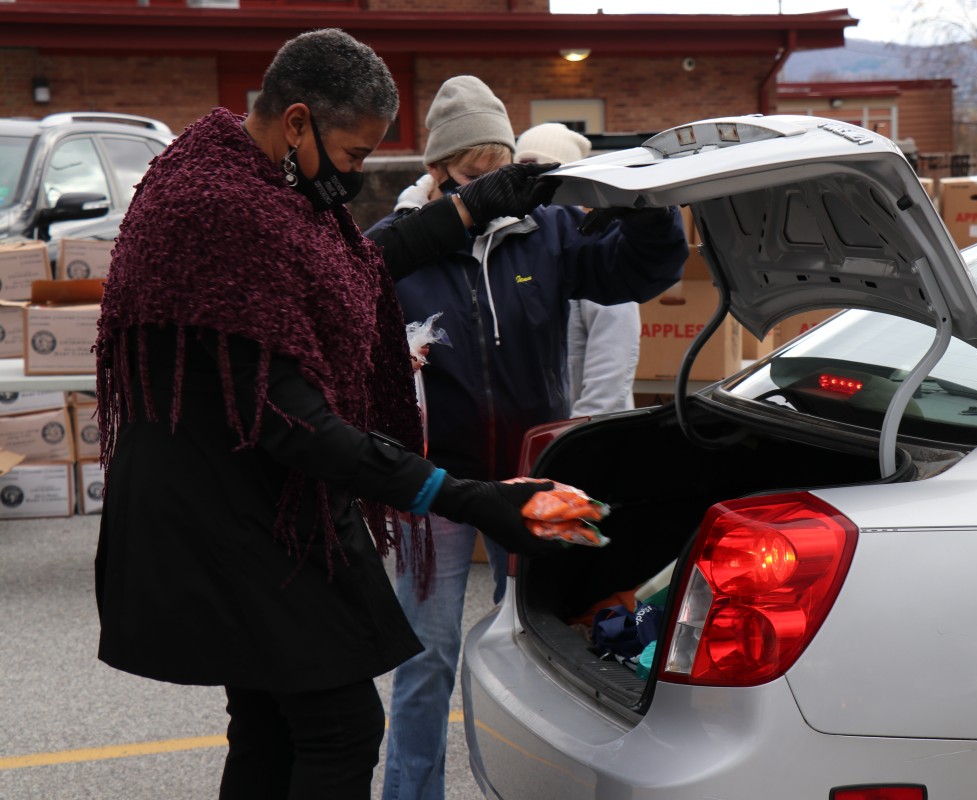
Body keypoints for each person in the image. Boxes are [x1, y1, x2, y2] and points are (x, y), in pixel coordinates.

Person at [92, 30, 564, 800]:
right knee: (338, 727)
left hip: (241, 496)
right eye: (350, 157)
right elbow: (294, 420)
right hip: (224, 511)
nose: (352, 181)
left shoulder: (246, 178)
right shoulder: (221, 211)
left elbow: (350, 268)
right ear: (299, 122)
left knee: (272, 723)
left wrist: (467, 212)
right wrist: (459, 493)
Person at [365, 77, 689, 800]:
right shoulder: (402, 245)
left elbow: (639, 270)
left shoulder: (547, 232)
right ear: (439, 170)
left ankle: (527, 783)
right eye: (473, 175)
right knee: (426, 657)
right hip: (437, 485)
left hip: (532, 476)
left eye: (498, 170)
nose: (489, 189)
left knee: (542, 647)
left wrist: (644, 204)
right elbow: (355, 279)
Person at [515, 122, 642, 416]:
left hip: (586, 441)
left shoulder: (594, 254)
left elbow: (612, 368)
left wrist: (572, 437)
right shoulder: (520, 249)